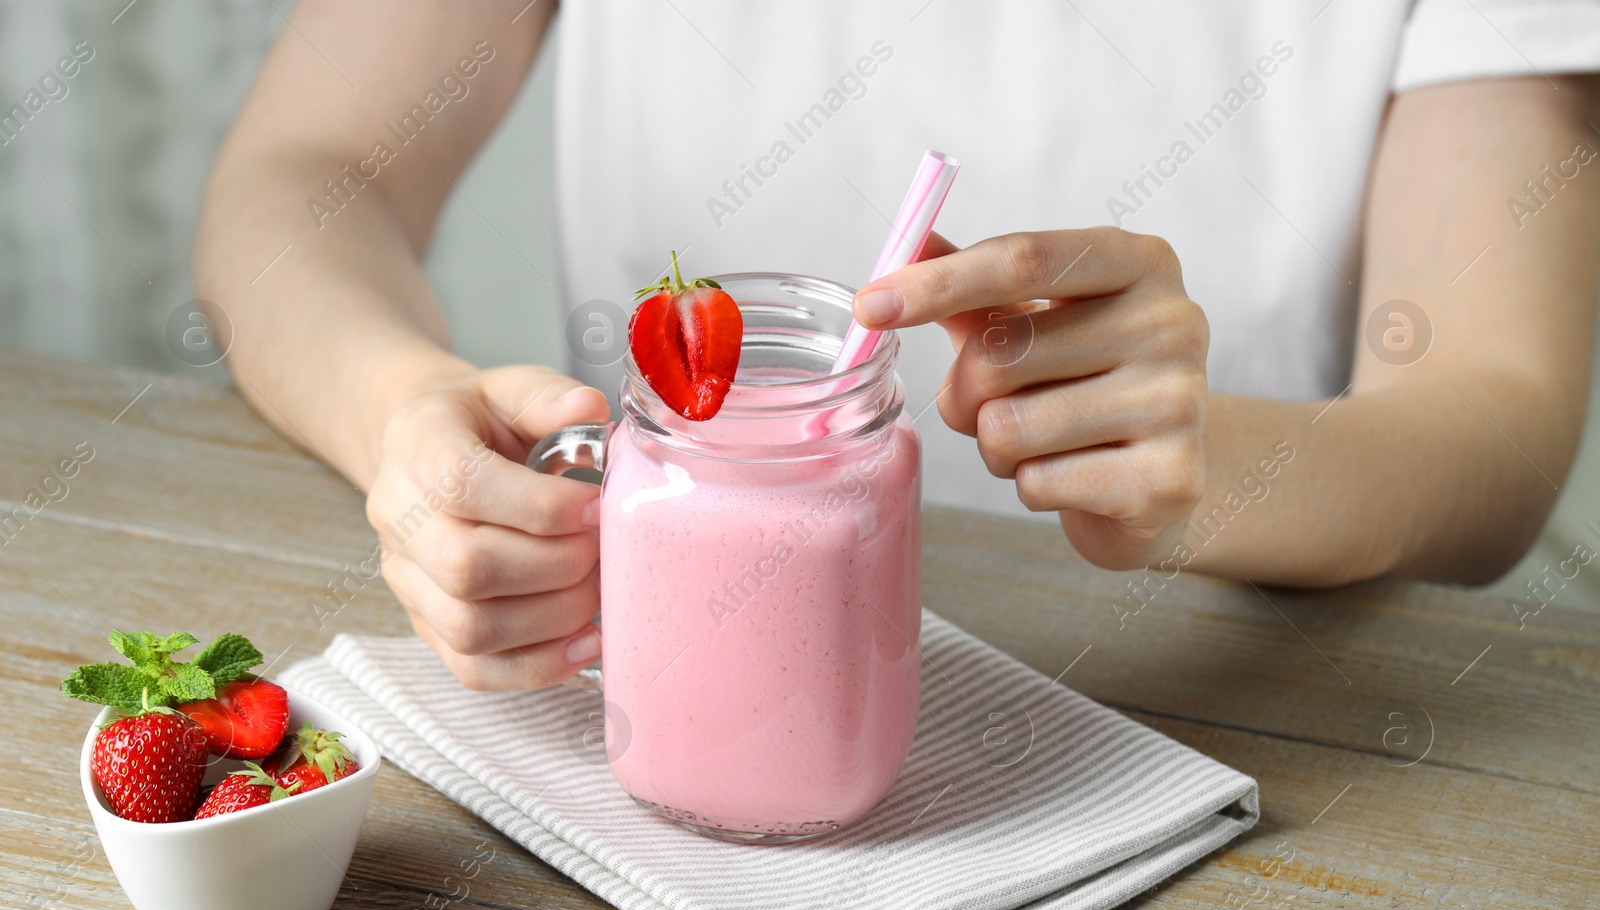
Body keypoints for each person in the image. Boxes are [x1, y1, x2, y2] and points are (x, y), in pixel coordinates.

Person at [195, 0, 1600, 690]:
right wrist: (403, 408)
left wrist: (1220, 463)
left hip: (1244, 709)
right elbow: (304, 179)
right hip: (665, 679)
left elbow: (1500, 414)